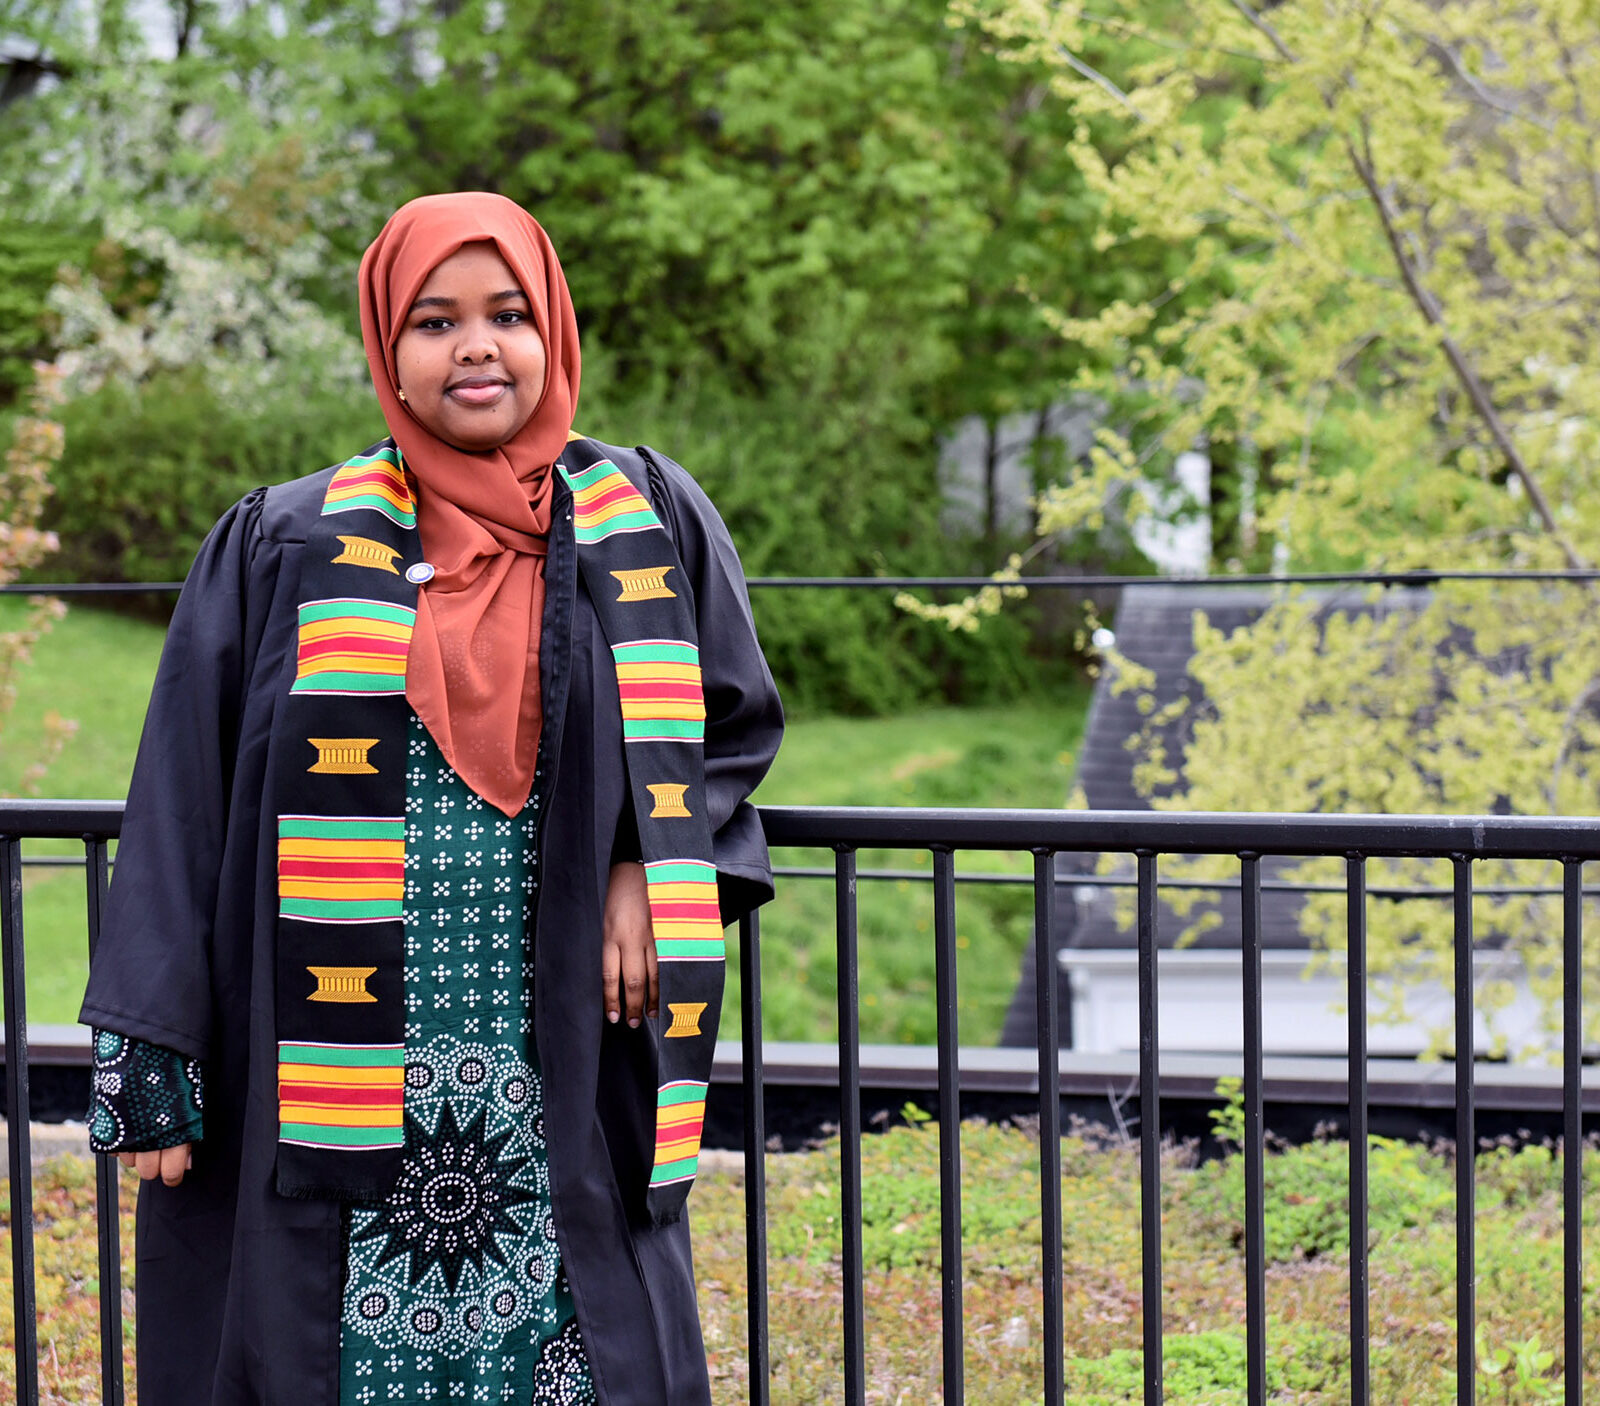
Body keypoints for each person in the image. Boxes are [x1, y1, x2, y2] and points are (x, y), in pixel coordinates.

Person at [79, 191, 784, 1406]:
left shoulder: (642, 518)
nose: (476, 346)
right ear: (385, 349)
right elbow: (179, 797)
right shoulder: (287, 540)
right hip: (328, 1056)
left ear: (552, 332)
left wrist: (645, 864)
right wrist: (151, 1055)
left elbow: (729, 722)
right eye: (435, 319)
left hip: (554, 1034)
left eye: (508, 314)